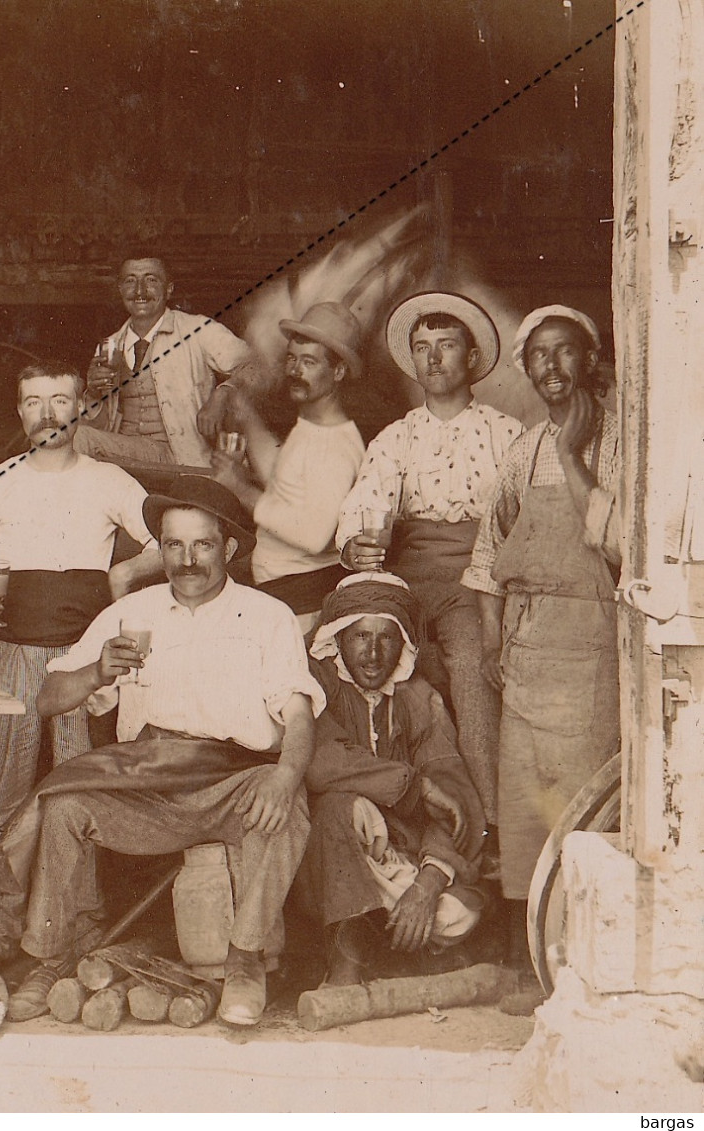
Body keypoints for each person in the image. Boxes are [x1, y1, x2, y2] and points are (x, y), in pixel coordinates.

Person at [1, 475, 323, 1028]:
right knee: (64, 807)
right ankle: (49, 959)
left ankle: (246, 962)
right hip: (146, 785)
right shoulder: (132, 615)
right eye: (173, 545)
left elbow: (297, 714)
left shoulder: (267, 616)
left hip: (229, 779)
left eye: (201, 544)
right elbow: (50, 698)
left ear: (230, 548)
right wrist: (97, 671)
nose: (187, 559)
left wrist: (286, 776)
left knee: (284, 806)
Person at [0, 360, 164, 1004]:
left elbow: (166, 539)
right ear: (19, 412)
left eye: (60, 400)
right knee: (8, 794)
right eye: (34, 401)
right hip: (10, 652)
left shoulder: (110, 479)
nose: (48, 413)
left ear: (80, 410)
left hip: (84, 656)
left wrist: (124, 579)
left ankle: (76, 929)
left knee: (78, 790)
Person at [462, 306, 621, 945]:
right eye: (539, 356)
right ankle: (528, 951)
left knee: (582, 802)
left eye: (565, 352)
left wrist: (568, 449)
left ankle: (584, 949)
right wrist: (495, 641)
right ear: (525, 368)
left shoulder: (618, 440)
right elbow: (486, 556)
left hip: (592, 649)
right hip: (526, 649)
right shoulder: (520, 451)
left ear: (588, 359)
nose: (552, 367)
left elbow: (617, 545)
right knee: (527, 803)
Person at [335, 291, 521, 827]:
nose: (434, 359)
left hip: (477, 576)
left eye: (446, 346)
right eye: (423, 348)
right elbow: (367, 502)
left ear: (470, 359)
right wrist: (357, 545)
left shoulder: (506, 434)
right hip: (409, 576)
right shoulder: (396, 437)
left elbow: (521, 520)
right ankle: (384, 809)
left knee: (467, 660)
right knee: (355, 643)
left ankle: (488, 817)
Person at [300, 573, 487, 986]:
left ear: (403, 645)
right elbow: (320, 762)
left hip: (400, 861)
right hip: (328, 862)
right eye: (359, 637)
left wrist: (427, 886)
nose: (372, 653)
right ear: (338, 641)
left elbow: (453, 793)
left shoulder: (417, 698)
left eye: (386, 638)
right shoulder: (316, 688)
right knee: (343, 806)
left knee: (458, 915)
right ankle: (347, 954)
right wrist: (413, 786)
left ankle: (395, 935)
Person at [212, 301, 367, 632]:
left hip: (300, 602)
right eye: (292, 359)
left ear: (338, 372)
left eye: (309, 362)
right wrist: (246, 415)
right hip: (278, 590)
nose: (295, 370)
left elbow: (314, 536)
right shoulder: (312, 425)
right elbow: (282, 478)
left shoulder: (336, 446)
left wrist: (240, 489)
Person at [76, 255, 259, 469]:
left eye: (151, 280)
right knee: (73, 436)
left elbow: (257, 366)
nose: (140, 291)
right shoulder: (111, 345)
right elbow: (100, 430)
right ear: (120, 290)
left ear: (169, 289)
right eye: (130, 281)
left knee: (79, 437)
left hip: (182, 457)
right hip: (125, 459)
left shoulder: (198, 329)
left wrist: (223, 393)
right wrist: (94, 395)